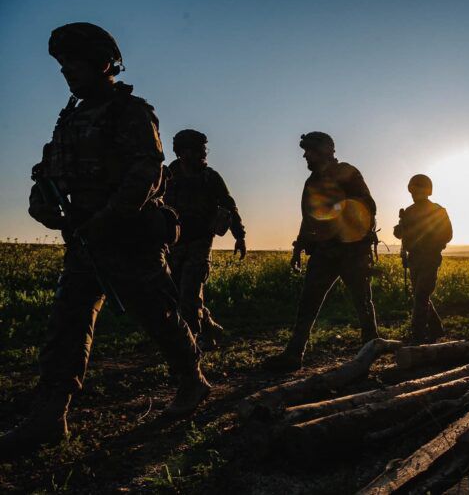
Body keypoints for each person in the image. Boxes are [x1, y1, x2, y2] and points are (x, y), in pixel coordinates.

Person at [0, 23, 210, 458]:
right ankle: (51, 413)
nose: (66, 72)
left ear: (101, 62)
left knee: (157, 315)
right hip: (84, 240)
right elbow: (49, 171)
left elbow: (147, 174)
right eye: (61, 65)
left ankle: (191, 378)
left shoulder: (130, 111)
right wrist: (42, 203)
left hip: (129, 238)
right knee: (67, 321)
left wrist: (108, 218)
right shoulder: (70, 119)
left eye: (73, 63)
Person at [264, 132, 379, 371]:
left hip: (352, 252)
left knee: (363, 303)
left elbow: (368, 206)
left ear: (325, 150)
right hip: (324, 252)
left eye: (310, 150)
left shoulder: (348, 172)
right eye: (305, 151)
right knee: (308, 302)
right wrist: (298, 247)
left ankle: (371, 351)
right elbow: (308, 218)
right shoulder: (312, 182)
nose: (305, 155)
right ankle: (294, 354)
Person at [164, 129, 246, 350]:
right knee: (175, 295)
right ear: (182, 152)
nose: (202, 153)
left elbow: (229, 206)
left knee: (189, 294)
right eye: (197, 149)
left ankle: (191, 345)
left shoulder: (211, 177)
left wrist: (239, 236)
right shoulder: (168, 175)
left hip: (200, 243)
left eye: (203, 149)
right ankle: (209, 328)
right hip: (173, 245)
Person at [393, 174, 453, 343]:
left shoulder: (438, 210)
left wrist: (428, 239)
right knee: (421, 296)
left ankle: (417, 336)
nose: (413, 193)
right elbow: (399, 233)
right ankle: (436, 329)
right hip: (414, 259)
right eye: (412, 190)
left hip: (430, 258)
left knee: (421, 296)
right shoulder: (409, 211)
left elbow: (447, 235)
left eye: (416, 189)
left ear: (426, 190)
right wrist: (401, 227)